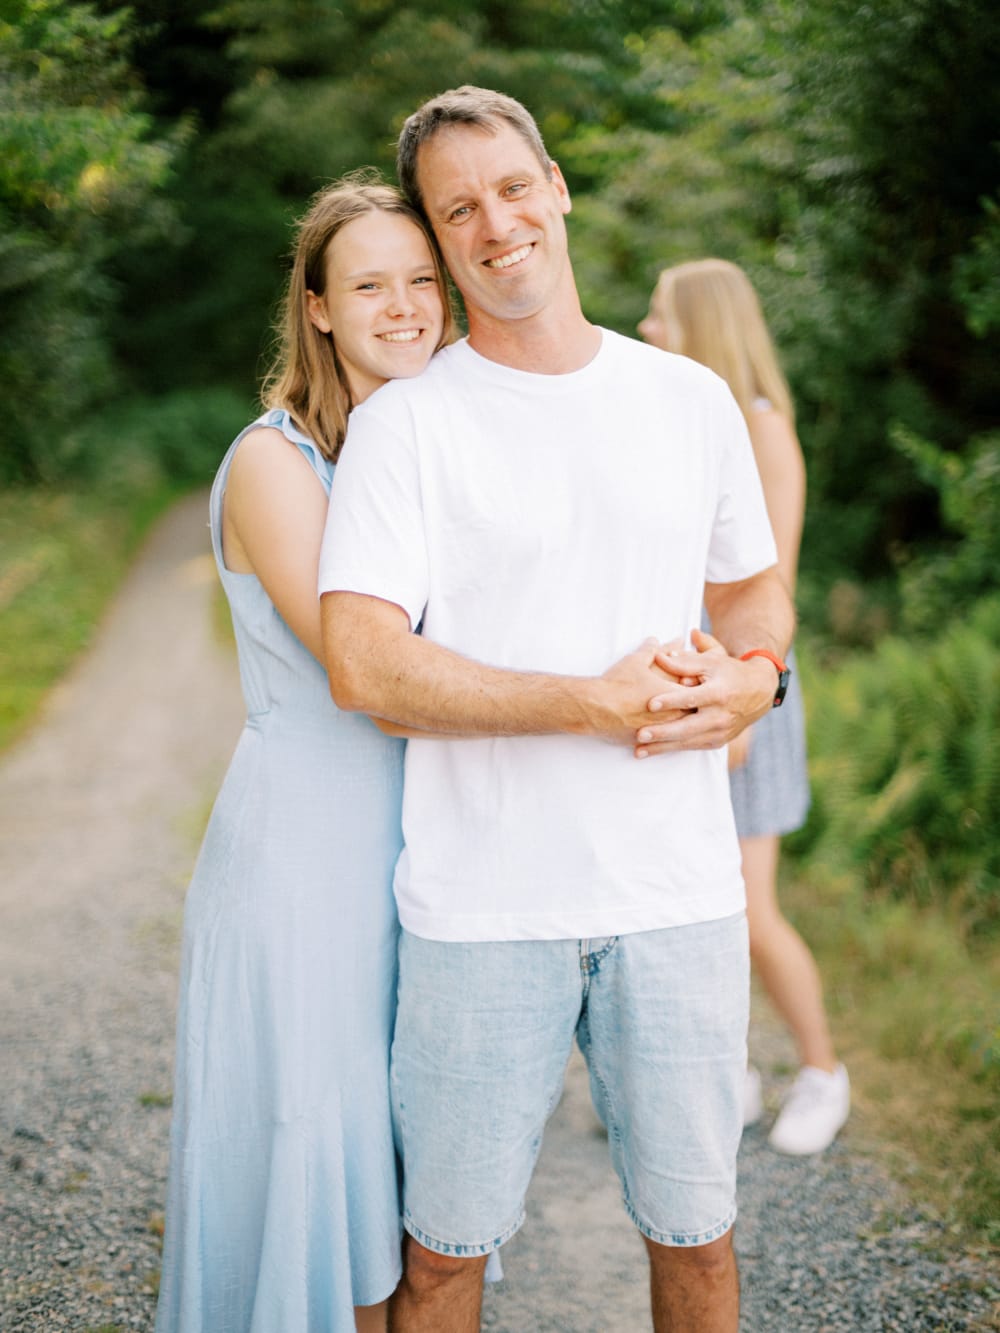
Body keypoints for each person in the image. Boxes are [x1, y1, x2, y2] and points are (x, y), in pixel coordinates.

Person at [318, 87, 795, 1332]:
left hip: (677, 902)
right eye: (458, 208)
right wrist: (585, 703)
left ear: (558, 185)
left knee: (696, 1244)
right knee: (440, 1261)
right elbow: (365, 665)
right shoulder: (405, 427)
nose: (497, 223)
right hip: (480, 912)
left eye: (512, 187)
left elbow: (753, 594)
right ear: (436, 234)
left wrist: (759, 676)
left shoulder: (687, 399)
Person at [155, 174, 455, 1333]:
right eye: (369, 283)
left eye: (422, 280)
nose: (404, 304)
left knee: (387, 1174)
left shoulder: (421, 448)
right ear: (318, 306)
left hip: (415, 855)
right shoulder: (277, 462)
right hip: (305, 861)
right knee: (307, 1148)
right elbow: (364, 665)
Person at [639, 257, 850, 1155]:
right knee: (700, 901)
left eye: (659, 314)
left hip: (747, 688)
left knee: (751, 906)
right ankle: (736, 1072)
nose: (646, 329)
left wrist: (733, 691)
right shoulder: (691, 422)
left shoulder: (762, 428)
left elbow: (768, 586)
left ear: (702, 324)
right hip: (697, 683)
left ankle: (822, 1072)